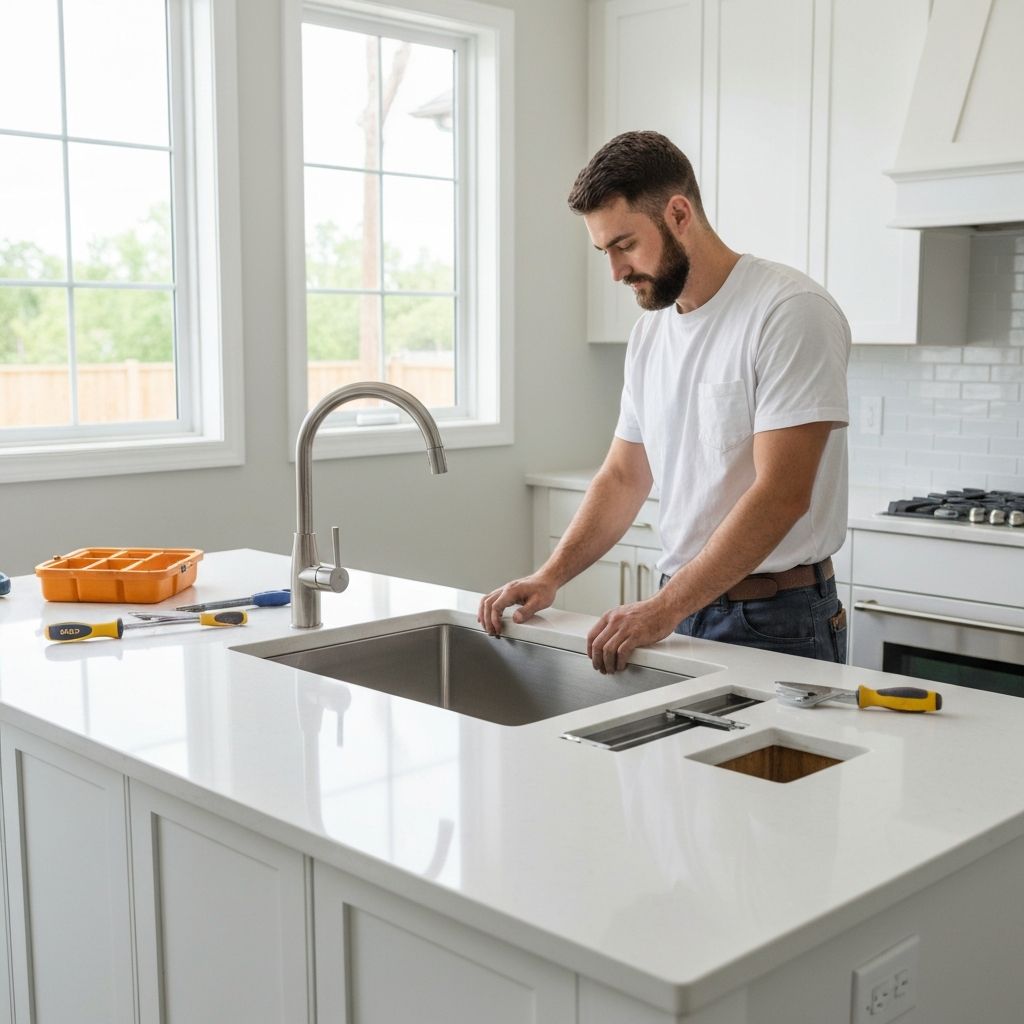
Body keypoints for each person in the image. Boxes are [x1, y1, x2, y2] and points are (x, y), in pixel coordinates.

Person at [478, 130, 851, 672]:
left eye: (625, 245)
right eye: (605, 251)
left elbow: (782, 494)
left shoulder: (790, 311)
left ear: (678, 214)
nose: (616, 271)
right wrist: (550, 575)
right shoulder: (651, 336)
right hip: (678, 608)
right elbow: (624, 477)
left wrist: (662, 610)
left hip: (776, 621)